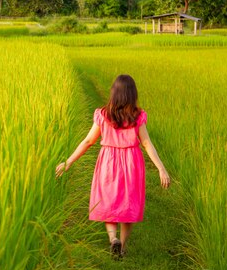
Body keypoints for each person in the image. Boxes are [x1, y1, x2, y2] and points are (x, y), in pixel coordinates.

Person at [55, 74, 170, 259]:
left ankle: (113, 239)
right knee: (128, 204)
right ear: (132, 94)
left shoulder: (103, 114)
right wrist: (161, 168)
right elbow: (147, 143)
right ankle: (122, 248)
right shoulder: (137, 116)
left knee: (109, 201)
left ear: (114, 93)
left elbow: (88, 141)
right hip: (132, 162)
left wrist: (68, 161)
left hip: (108, 161)